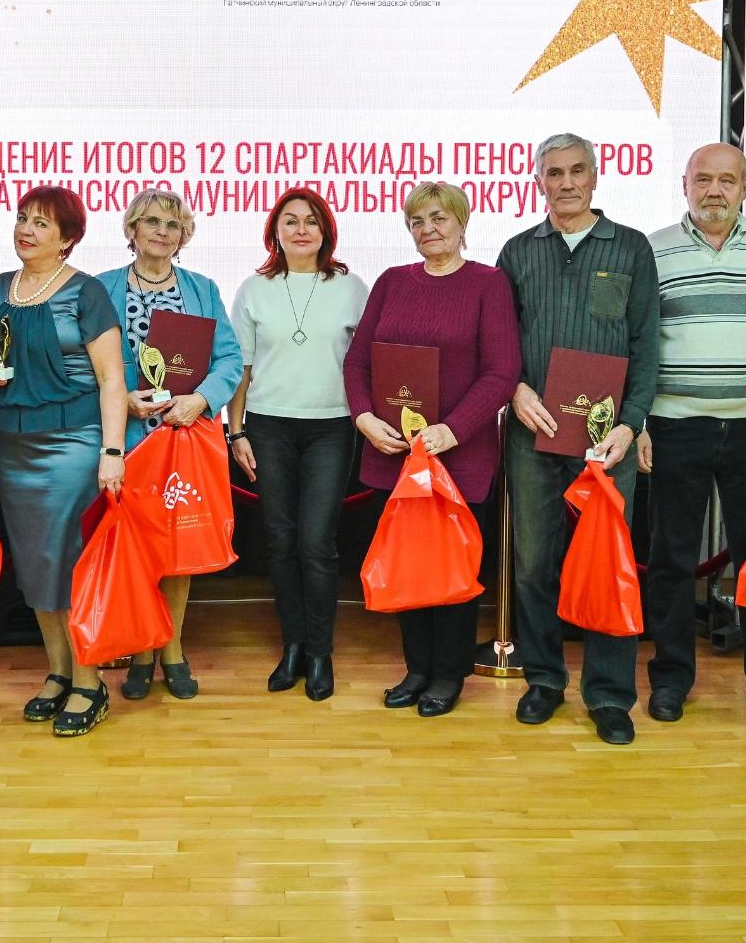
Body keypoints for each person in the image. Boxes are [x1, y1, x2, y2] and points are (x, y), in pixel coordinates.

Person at [639, 143, 746, 734]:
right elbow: (640, 346)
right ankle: (670, 679)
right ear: (683, 184)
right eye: (703, 179)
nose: (714, 191)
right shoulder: (655, 250)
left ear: (744, 187)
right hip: (674, 425)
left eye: (726, 181)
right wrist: (639, 422)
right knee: (670, 560)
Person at [498, 133, 660, 745]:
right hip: (532, 430)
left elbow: (646, 344)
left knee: (607, 566)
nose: (565, 182)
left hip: (606, 439)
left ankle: (610, 695)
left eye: (576, 171)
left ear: (595, 176)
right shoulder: (518, 251)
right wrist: (515, 389)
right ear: (537, 180)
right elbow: (500, 344)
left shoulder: (631, 247)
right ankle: (543, 679)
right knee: (534, 566)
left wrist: (631, 422)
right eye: (554, 172)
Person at [343, 182, 520, 716]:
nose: (428, 229)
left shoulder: (488, 283)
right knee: (408, 566)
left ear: (462, 223)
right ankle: (417, 668)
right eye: (417, 221)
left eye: (439, 218)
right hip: (393, 454)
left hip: (459, 458)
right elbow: (357, 362)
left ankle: (448, 673)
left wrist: (453, 430)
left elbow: (502, 371)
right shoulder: (392, 282)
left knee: (451, 570)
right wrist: (364, 417)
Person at [0, 186, 126, 737]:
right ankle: (59, 671)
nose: (26, 229)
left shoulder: (87, 292)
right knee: (36, 563)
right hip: (16, 445)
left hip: (75, 444)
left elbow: (112, 379)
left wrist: (112, 452)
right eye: (23, 218)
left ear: (67, 239)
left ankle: (90, 682)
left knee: (71, 564)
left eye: (41, 223)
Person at [96, 188, 243, 701]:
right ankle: (142, 650)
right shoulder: (101, 288)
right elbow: (87, 364)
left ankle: (173, 648)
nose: (162, 231)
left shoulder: (203, 289)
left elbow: (230, 359)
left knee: (178, 547)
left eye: (173, 224)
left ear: (184, 236)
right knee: (139, 549)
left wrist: (201, 400)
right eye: (152, 221)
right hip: (130, 439)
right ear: (132, 229)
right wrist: (122, 401)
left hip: (185, 438)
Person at [227, 188, 370, 701]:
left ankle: (320, 653)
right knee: (280, 540)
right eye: (290, 221)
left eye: (311, 220)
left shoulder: (351, 287)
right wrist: (236, 430)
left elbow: (367, 362)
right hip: (268, 427)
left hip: (332, 427)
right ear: (275, 231)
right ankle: (293, 646)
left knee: (317, 542)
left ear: (326, 230)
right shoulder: (254, 289)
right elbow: (241, 367)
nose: (301, 229)